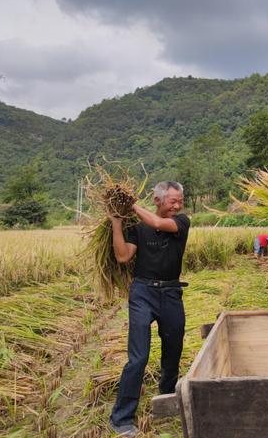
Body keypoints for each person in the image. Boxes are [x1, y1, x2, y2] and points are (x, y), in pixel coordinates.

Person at [109, 181, 191, 437]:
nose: (177, 205)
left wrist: (129, 203)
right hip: (143, 292)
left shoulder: (182, 222)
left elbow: (157, 224)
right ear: (157, 201)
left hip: (171, 293)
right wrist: (116, 222)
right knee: (138, 357)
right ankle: (121, 418)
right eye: (172, 201)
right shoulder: (138, 228)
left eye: (180, 201)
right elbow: (123, 257)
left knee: (173, 349)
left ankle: (166, 397)